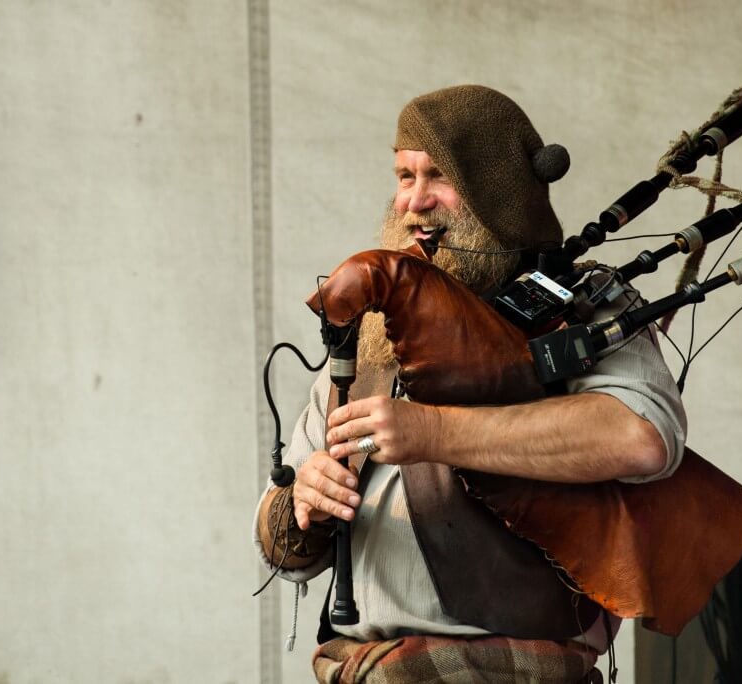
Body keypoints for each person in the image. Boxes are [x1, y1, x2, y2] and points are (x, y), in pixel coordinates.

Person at [253, 85, 687, 683]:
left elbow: (641, 437)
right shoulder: (369, 332)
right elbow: (281, 547)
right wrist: (304, 500)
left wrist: (433, 430)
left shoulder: (580, 306)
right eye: (404, 175)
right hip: (363, 668)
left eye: (439, 176)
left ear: (500, 190)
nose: (414, 203)